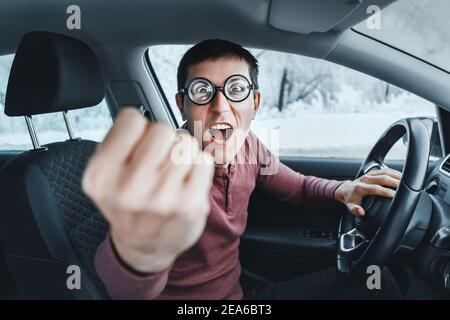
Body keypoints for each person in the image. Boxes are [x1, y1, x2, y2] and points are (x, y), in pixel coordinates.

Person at [82, 39, 402, 299]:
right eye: (202, 91)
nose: (220, 107)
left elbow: (298, 187)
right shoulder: (166, 166)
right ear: (183, 104)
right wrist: (138, 253)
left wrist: (343, 189)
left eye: (235, 90)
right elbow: (123, 289)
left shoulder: (250, 147)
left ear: (255, 102)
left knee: (375, 283)